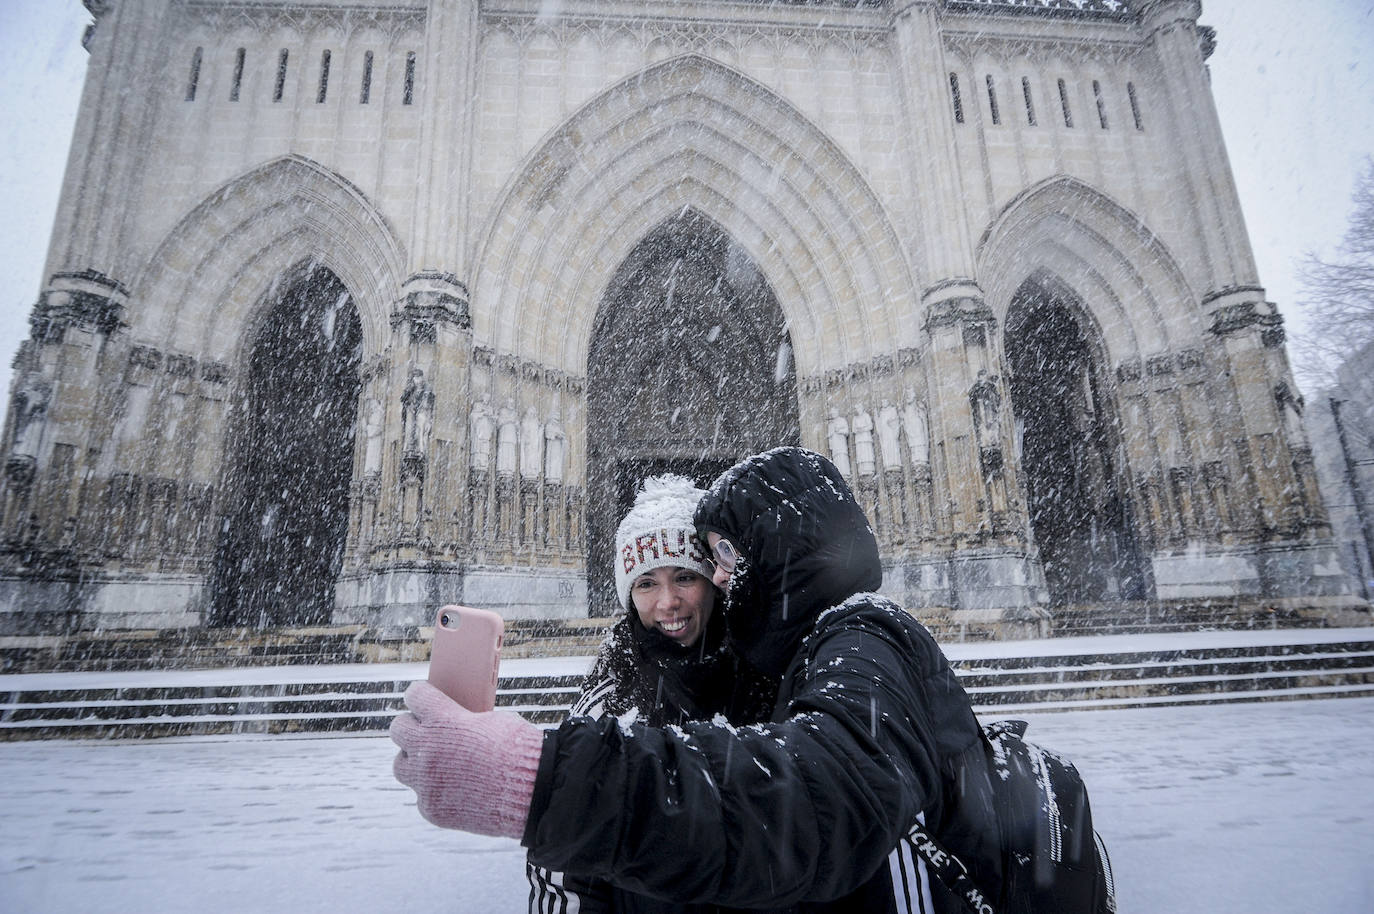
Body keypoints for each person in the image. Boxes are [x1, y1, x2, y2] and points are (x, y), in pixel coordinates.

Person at [391, 447, 1107, 912]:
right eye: (647, 584)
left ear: (781, 547)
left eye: (714, 564)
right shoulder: (801, 653)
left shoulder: (861, 641)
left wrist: (544, 779)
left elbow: (810, 804)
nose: (700, 589)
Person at [526, 474, 775, 913]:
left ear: (715, 581)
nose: (668, 602)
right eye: (646, 583)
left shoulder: (768, 681)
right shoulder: (609, 702)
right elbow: (562, 866)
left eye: (684, 577)